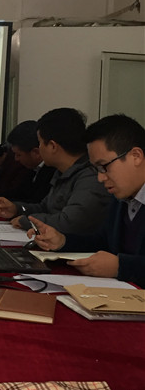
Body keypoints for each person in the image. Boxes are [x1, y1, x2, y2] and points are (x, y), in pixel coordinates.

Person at [29, 114, 145, 286]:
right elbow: (103, 242)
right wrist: (62, 241)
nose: (100, 178)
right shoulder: (122, 197)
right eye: (96, 169)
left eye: (104, 167)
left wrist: (121, 267)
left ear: (136, 156)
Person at [0, 108, 111, 235]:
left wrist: (26, 221)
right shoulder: (62, 172)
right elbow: (44, 207)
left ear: (52, 146)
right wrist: (16, 209)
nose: (39, 148)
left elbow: (70, 223)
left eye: (40, 143)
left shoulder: (91, 176)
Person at [6, 120, 56, 202]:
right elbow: (19, 193)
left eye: (18, 155)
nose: (16, 159)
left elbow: (37, 203)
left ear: (36, 152)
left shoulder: (53, 172)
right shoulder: (32, 169)